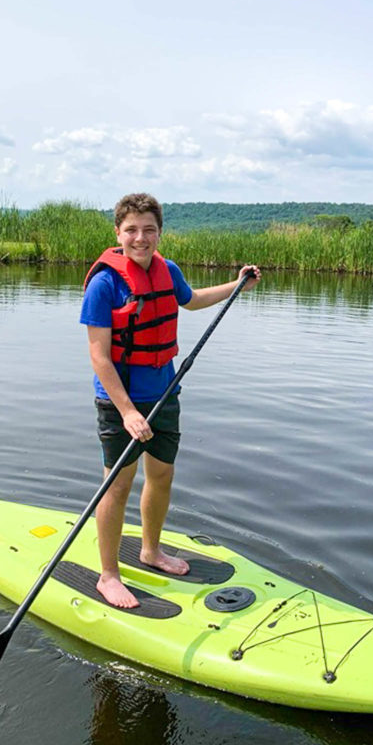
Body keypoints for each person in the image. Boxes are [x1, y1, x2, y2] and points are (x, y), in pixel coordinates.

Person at [81, 192, 260, 609]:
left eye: (148, 230)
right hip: (119, 402)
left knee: (161, 475)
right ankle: (109, 576)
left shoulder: (168, 270)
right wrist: (126, 412)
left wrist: (238, 285)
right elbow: (98, 356)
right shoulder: (105, 284)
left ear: (159, 232)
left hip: (164, 394)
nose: (140, 238)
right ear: (118, 233)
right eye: (131, 230)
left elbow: (192, 300)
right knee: (117, 485)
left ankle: (150, 550)